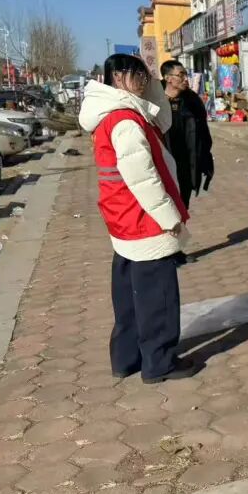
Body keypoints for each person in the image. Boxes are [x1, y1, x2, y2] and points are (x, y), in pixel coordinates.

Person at [79, 54, 193, 384]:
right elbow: (144, 179)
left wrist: (151, 84)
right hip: (145, 220)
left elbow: (161, 116)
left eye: (147, 76)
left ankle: (126, 358)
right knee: (158, 299)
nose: (145, 82)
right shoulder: (126, 122)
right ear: (119, 77)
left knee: (129, 299)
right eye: (139, 75)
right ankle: (159, 363)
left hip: (124, 218)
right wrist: (169, 218)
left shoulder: (111, 114)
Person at [161, 59, 213, 266]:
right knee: (166, 208)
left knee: (182, 206)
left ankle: (176, 250)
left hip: (187, 163)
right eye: (180, 75)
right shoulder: (156, 103)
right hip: (164, 164)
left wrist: (206, 159)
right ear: (168, 78)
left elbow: (204, 133)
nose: (185, 79)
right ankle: (164, 251)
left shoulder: (192, 101)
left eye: (185, 74)